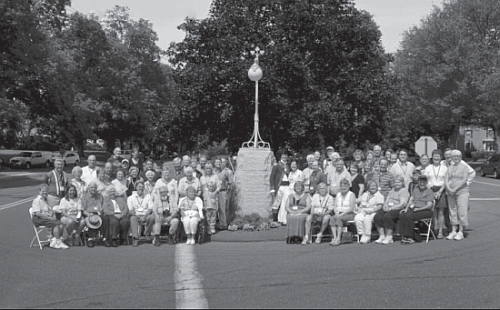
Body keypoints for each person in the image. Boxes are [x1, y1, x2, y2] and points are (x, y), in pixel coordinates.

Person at [373, 175, 409, 244]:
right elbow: (387, 200)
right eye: (395, 182)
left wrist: (391, 208)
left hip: (398, 209)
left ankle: (389, 236)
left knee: (388, 216)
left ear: (402, 183)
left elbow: (402, 204)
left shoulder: (404, 191)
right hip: (389, 208)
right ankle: (382, 235)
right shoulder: (392, 191)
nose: (397, 184)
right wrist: (385, 207)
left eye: (399, 182)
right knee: (377, 216)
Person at [444, 150, 471, 241]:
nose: (456, 158)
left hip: (462, 191)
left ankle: (461, 231)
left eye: (458, 156)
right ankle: (453, 230)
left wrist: (455, 189)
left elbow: (464, 180)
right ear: (451, 157)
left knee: (462, 211)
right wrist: (449, 188)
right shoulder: (450, 167)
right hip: (450, 192)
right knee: (452, 211)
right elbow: (446, 179)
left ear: (460, 157)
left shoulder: (464, 167)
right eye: (454, 156)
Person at [399, 175, 434, 244]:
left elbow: (429, 205)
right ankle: (404, 235)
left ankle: (410, 237)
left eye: (424, 182)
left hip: (425, 210)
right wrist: (406, 209)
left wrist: (419, 209)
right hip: (414, 208)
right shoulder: (416, 188)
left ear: (426, 182)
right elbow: (411, 199)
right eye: (420, 181)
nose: (422, 183)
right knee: (403, 214)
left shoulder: (429, 191)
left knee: (410, 216)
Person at [31, 184, 68, 249]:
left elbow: (49, 211)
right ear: (39, 192)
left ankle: (54, 240)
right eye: (43, 191)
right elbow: (37, 213)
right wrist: (49, 218)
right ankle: (58, 242)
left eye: (46, 191)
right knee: (56, 224)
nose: (45, 193)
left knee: (61, 224)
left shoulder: (46, 200)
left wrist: (52, 214)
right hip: (39, 219)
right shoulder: (37, 200)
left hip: (46, 218)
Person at [424, 149, 448, 239]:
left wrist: (440, 191)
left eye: (438, 156)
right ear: (432, 157)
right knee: (433, 211)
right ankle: (435, 229)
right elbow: (425, 180)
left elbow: (446, 181)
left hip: (441, 190)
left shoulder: (444, 168)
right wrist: (431, 191)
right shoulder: (428, 168)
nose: (436, 158)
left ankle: (441, 231)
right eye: (434, 156)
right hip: (431, 189)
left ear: (441, 158)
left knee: (441, 212)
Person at [329, 179, 356, 246]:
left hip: (349, 214)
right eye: (342, 186)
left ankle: (338, 238)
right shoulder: (338, 195)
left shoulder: (351, 194)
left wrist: (342, 214)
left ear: (348, 186)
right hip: (339, 213)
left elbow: (351, 208)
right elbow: (335, 206)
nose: (343, 187)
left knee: (339, 219)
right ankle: (334, 237)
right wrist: (336, 213)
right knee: (332, 218)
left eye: (345, 186)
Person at [127, 181, 154, 246]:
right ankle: (135, 238)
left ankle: (147, 235)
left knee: (151, 217)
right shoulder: (130, 198)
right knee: (133, 218)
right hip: (136, 215)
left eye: (142, 187)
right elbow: (130, 210)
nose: (141, 188)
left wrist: (144, 217)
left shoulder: (148, 196)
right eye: (139, 187)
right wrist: (136, 215)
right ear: (136, 188)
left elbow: (150, 209)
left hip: (146, 214)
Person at [81, 181, 104, 247]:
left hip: (99, 213)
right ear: (88, 188)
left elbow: (102, 206)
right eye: (91, 187)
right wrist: (88, 214)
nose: (93, 189)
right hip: (88, 213)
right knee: (92, 219)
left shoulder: (100, 196)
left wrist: (101, 210)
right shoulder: (84, 197)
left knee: (105, 219)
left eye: (94, 187)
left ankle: (105, 238)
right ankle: (90, 239)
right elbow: (83, 210)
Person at [269, 152, 290, 224]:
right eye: (283, 155)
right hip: (279, 186)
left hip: (287, 187)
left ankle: (283, 220)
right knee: (276, 203)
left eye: (286, 155)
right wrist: (272, 189)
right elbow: (272, 178)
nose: (284, 156)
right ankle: (274, 220)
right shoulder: (276, 166)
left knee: (285, 203)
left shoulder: (288, 166)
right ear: (280, 156)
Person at [217, 157, 234, 230]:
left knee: (224, 208)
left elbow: (230, 183)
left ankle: (224, 224)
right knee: (220, 209)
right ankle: (221, 223)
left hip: (224, 191)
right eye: (221, 162)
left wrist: (228, 192)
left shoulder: (228, 171)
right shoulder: (217, 171)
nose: (222, 164)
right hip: (216, 192)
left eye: (223, 162)